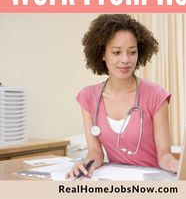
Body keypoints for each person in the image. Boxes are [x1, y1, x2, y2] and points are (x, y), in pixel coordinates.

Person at [67, 14, 179, 179]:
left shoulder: (156, 95)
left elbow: (164, 155)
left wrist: (174, 164)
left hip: (153, 182)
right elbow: (95, 152)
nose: (125, 59)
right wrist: (86, 164)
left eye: (132, 52)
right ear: (103, 54)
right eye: (116, 52)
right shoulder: (88, 97)